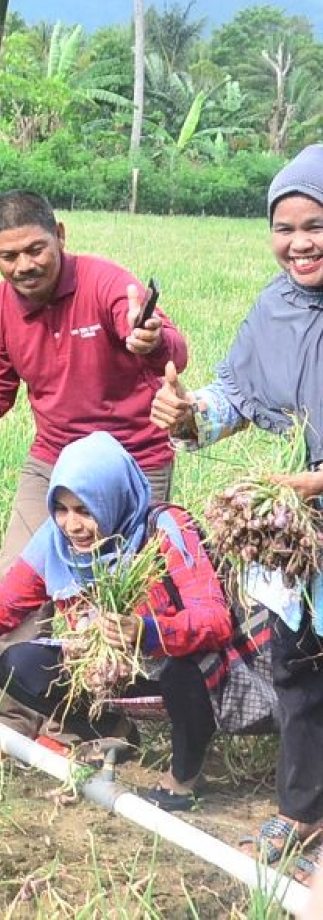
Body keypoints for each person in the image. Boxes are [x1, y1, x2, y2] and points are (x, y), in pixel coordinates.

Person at [152, 143, 323, 872]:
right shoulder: (274, 307)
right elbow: (238, 396)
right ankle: (300, 811)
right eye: (283, 227)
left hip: (302, 495)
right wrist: (190, 413)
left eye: (315, 223)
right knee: (299, 667)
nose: (299, 242)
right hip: (292, 526)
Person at [0, 431, 273, 811]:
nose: (72, 525)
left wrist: (147, 632)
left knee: (181, 671)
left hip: (180, 663)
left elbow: (215, 620)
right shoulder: (52, 543)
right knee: (18, 665)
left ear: (112, 500)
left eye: (85, 510)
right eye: (61, 508)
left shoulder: (165, 529)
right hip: (110, 670)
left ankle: (184, 777)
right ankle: (112, 731)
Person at [0, 191, 187, 580]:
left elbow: (172, 353)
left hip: (132, 460)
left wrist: (150, 338)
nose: (24, 266)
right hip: (55, 459)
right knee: (16, 586)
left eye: (36, 250)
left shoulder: (104, 281)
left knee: (126, 595)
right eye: (9, 257)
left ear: (60, 235)